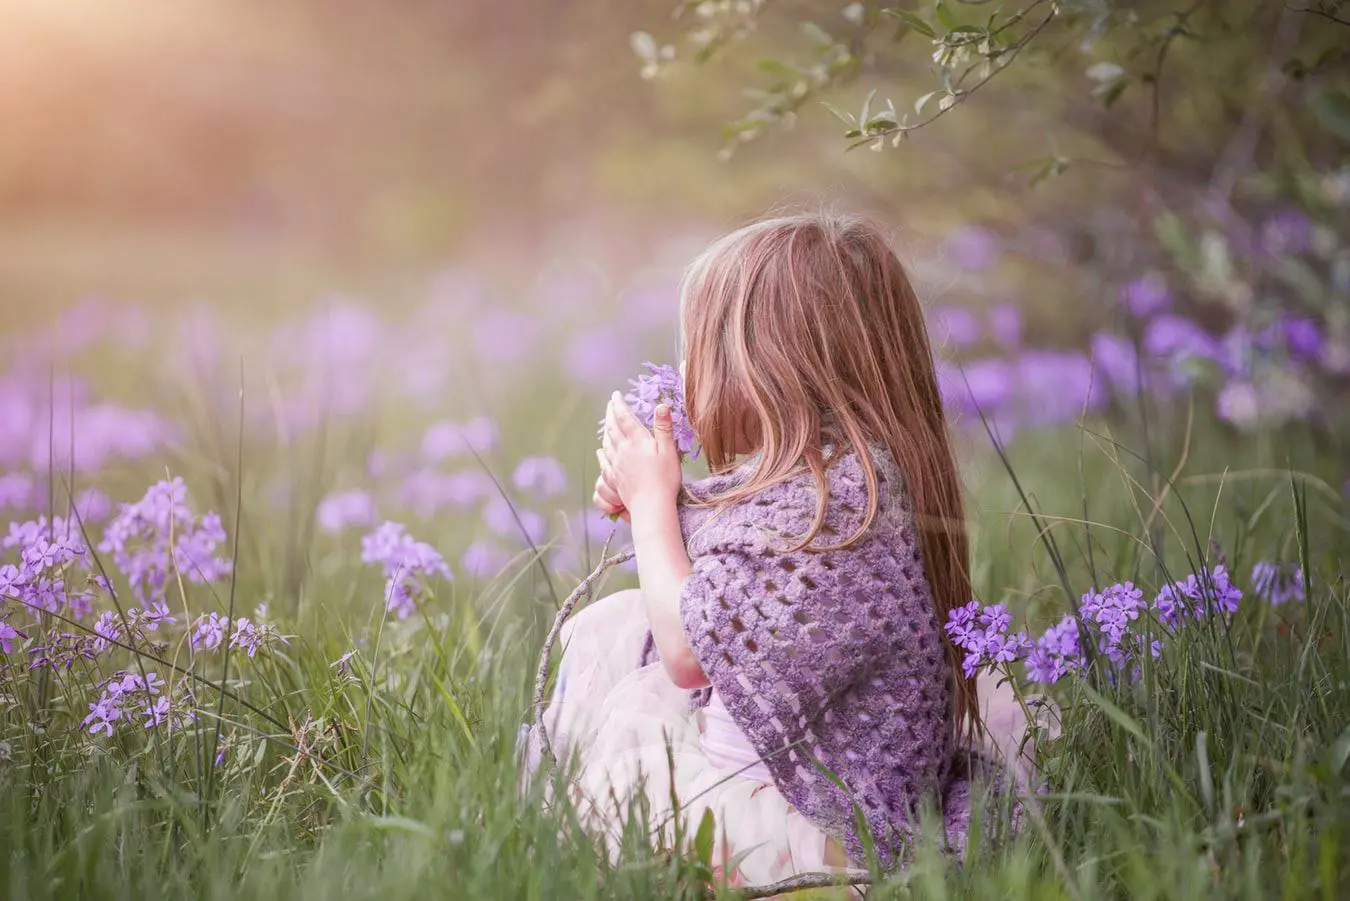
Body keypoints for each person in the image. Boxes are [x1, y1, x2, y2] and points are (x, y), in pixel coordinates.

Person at [526, 212, 1043, 890]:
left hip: (805, 823)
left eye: (701, 353)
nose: (684, 376)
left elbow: (689, 652)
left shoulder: (833, 509)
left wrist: (654, 509)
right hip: (782, 775)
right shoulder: (834, 482)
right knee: (614, 625)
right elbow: (721, 584)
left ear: (765, 368)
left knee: (621, 770)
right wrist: (666, 502)